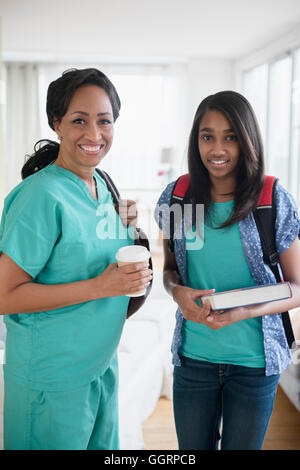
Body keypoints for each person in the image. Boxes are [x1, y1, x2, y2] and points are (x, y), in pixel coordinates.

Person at [0, 68, 152, 450]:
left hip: (100, 367)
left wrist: (128, 226)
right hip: (52, 379)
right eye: (79, 121)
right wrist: (102, 286)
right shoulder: (39, 197)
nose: (94, 134)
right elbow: (4, 295)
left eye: (104, 121)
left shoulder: (102, 184)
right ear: (57, 124)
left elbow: (88, 250)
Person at [154, 90, 300, 450]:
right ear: (196, 140)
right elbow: (170, 271)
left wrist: (246, 311)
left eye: (230, 137)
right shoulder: (179, 196)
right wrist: (176, 292)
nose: (217, 150)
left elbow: (297, 287)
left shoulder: (271, 198)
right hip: (193, 360)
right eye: (208, 137)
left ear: (248, 140)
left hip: (254, 364)